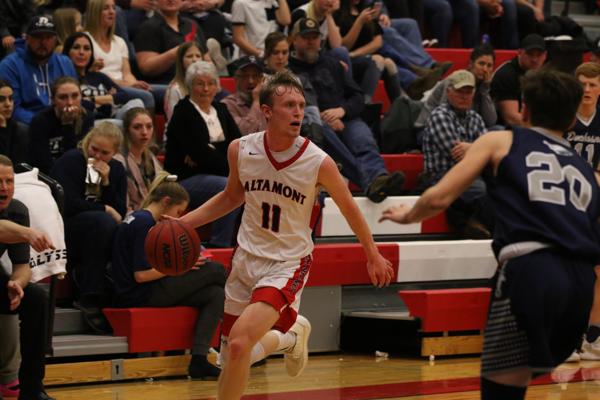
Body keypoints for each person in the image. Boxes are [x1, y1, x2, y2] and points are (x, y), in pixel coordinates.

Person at [380, 68, 600, 400]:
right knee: (531, 370)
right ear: (571, 120)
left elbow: (439, 197)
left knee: (501, 386)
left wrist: (408, 215)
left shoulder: (502, 139)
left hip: (531, 269)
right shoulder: (586, 170)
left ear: (524, 110)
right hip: (581, 285)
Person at [179, 70, 394, 400]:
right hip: (246, 259)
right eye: (289, 105)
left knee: (239, 343)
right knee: (231, 355)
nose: (298, 112)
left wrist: (372, 254)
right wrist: (184, 224)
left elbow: (350, 208)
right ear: (267, 111)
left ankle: (289, 335)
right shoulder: (241, 150)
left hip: (287, 263)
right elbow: (231, 197)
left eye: (301, 105)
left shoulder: (318, 161)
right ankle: (291, 336)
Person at [111, 172, 225, 379]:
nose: (179, 217)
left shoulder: (138, 217)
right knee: (217, 270)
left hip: (141, 290)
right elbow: (141, 275)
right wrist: (182, 268)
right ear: (166, 202)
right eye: (179, 211)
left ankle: (198, 360)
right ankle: (238, 335)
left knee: (215, 294)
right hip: (140, 293)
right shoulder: (144, 223)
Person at [288, 18, 404, 203]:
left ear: (320, 40)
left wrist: (342, 111)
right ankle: (370, 183)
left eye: (314, 37)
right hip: (315, 123)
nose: (311, 42)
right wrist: (326, 119)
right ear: (294, 40)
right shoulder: (288, 70)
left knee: (364, 139)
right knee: (322, 133)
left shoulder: (333, 64)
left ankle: (378, 177)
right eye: (306, 37)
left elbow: (357, 97)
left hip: (346, 116)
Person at [51, 122, 126, 329]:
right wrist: (105, 209)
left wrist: (107, 182)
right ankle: (90, 294)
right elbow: (67, 204)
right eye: (94, 149)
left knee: (123, 228)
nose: (98, 156)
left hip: (98, 229)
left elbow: (120, 210)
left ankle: (119, 294)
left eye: (105, 153)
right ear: (87, 142)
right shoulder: (72, 160)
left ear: (115, 153)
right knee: (103, 221)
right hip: (65, 225)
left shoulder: (117, 169)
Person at [165, 61, 241, 248]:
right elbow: (202, 154)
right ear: (190, 86)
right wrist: (217, 153)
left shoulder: (221, 109)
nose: (206, 89)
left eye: (210, 83)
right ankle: (220, 244)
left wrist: (212, 150)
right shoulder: (183, 111)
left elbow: (238, 145)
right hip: (185, 179)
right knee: (228, 186)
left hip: (214, 174)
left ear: (217, 86)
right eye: (200, 83)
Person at [0, 154, 56, 400]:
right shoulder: (20, 226)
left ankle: (32, 388)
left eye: (9, 181)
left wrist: (17, 283)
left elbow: (23, 266)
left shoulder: (17, 210)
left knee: (34, 297)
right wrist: (28, 233)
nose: (4, 188)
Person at [421, 69, 491, 237]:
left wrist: (471, 148)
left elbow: (489, 153)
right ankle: (475, 225)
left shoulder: (476, 118)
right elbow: (458, 155)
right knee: (483, 189)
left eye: (468, 92)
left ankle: (478, 224)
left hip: (469, 174)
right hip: (441, 175)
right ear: (448, 92)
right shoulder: (439, 115)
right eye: (460, 92)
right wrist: (479, 150)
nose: (464, 96)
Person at [565, 62, 600, 361]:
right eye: (582, 84)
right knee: (565, 270)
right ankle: (564, 337)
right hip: (562, 203)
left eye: (592, 84)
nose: (587, 89)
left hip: (594, 203)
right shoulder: (563, 117)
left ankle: (593, 336)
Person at [0, 15, 77, 125]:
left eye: (48, 37)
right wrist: (45, 123)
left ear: (55, 40)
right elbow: (12, 109)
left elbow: (75, 98)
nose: (43, 42)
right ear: (27, 39)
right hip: (28, 126)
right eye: (38, 37)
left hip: (63, 120)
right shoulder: (9, 66)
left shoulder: (65, 63)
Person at [85, 0, 156, 113]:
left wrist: (135, 83)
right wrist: (128, 84)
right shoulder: (85, 40)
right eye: (106, 8)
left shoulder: (120, 41)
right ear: (95, 12)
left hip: (124, 85)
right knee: (146, 97)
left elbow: (127, 73)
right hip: (103, 87)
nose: (112, 12)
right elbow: (94, 75)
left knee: (159, 90)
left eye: (113, 8)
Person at [62, 32, 143, 121]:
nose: (81, 52)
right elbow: (80, 104)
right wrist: (108, 98)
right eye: (76, 47)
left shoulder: (98, 76)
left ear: (91, 54)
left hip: (113, 117)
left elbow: (123, 96)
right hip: (90, 122)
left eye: (86, 48)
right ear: (67, 52)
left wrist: (92, 99)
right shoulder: (66, 80)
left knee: (137, 102)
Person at [417, 44, 497, 129]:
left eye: (489, 66)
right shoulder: (455, 80)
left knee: (497, 129)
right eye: (481, 64)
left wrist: (485, 90)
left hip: (461, 127)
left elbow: (491, 122)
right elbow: (444, 116)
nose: (485, 69)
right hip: (429, 127)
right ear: (471, 64)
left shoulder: (485, 86)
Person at [28, 76, 95, 175]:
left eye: (75, 96)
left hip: (78, 172)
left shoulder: (87, 117)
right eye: (63, 97)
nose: (70, 102)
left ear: (81, 96)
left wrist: (68, 126)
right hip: (49, 174)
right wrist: (67, 124)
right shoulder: (40, 121)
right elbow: (42, 164)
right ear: (53, 100)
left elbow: (79, 157)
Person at [133, 0, 210, 85]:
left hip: (196, 82)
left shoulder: (191, 24)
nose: (171, 0)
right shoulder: (148, 27)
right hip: (166, 83)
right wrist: (177, 52)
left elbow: (207, 60)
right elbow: (146, 68)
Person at [491, 33, 546, 127]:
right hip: (503, 127)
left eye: (539, 55)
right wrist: (542, 128)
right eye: (530, 54)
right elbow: (511, 118)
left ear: (545, 55)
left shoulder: (544, 75)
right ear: (519, 52)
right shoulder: (506, 74)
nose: (535, 59)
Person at [114, 107, 163, 212]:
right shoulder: (119, 160)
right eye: (137, 127)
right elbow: (122, 205)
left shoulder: (150, 157)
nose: (144, 132)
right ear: (127, 131)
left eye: (149, 126)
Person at [221, 56, 268, 136]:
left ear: (262, 79)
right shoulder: (227, 105)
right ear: (236, 79)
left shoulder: (270, 102)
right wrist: (256, 101)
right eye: (245, 76)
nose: (250, 81)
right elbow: (244, 134)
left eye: (255, 76)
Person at [0, 80, 27, 164]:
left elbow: (10, 164)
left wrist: (3, 128)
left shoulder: (19, 130)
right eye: (1, 100)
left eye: (11, 98)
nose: (8, 104)